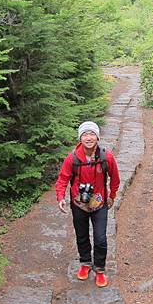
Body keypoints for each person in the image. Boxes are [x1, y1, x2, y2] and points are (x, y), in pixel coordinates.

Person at [56, 121, 120, 287]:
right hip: (79, 204)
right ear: (80, 138)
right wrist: (60, 197)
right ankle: (85, 263)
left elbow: (115, 179)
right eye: (85, 134)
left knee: (100, 238)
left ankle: (99, 268)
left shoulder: (106, 157)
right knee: (82, 235)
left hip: (99, 203)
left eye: (92, 134)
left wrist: (112, 195)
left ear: (97, 137)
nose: (89, 137)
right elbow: (63, 179)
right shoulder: (72, 158)